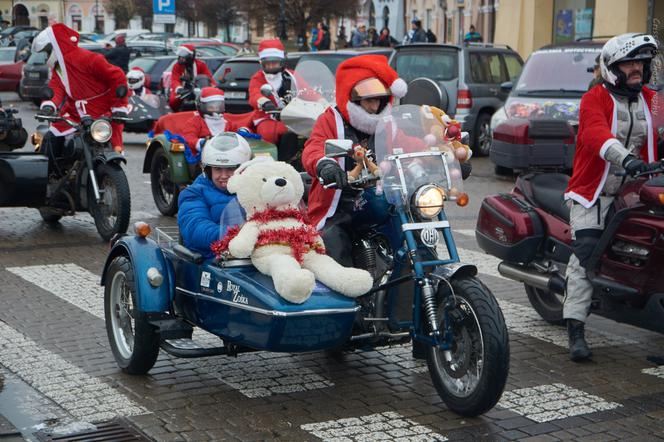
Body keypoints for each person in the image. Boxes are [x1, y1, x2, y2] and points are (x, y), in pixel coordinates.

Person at [563, 33, 659, 362]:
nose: (636, 69)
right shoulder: (595, 98)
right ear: (611, 67)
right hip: (593, 193)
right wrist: (627, 159)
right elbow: (594, 134)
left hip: (638, 194)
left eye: (641, 63)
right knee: (585, 254)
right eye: (629, 63)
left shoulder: (652, 98)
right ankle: (575, 328)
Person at [301, 55, 409, 266]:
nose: (375, 106)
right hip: (341, 203)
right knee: (333, 243)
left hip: (383, 197)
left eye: (379, 100)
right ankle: (347, 295)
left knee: (411, 225)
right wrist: (325, 164)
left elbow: (408, 144)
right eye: (369, 100)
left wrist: (444, 154)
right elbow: (314, 147)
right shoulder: (331, 119)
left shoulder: (388, 122)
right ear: (354, 100)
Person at [31, 23, 128, 160]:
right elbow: (56, 88)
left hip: (103, 112)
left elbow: (117, 76)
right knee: (51, 138)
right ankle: (49, 176)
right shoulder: (59, 68)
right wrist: (49, 105)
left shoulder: (89, 59)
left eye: (46, 52)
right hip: (75, 114)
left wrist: (119, 105)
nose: (46, 56)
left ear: (55, 46)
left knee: (114, 146)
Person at [178, 132, 252, 257]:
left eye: (230, 168)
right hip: (213, 258)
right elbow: (195, 228)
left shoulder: (254, 188)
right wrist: (239, 233)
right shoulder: (193, 194)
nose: (223, 175)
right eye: (217, 169)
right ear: (208, 170)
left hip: (253, 255)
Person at [248, 39, 300, 161]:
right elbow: (254, 94)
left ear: (281, 62)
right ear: (262, 63)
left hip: (292, 117)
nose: (271, 66)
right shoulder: (258, 78)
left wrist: (320, 100)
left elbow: (305, 89)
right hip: (267, 116)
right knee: (268, 133)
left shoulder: (291, 76)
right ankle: (268, 162)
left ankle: (300, 161)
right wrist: (264, 102)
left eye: (274, 62)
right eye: (268, 63)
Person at [180, 87, 242, 164]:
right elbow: (188, 138)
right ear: (202, 106)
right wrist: (201, 142)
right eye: (211, 107)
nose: (215, 109)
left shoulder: (226, 122)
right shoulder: (194, 122)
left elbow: (236, 134)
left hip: (228, 156)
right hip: (202, 158)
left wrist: (242, 132)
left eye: (218, 106)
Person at [169, 44, 215, 112]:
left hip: (198, 89)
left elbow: (209, 77)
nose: (180, 58)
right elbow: (174, 79)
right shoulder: (177, 66)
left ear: (191, 56)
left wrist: (213, 86)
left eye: (183, 56)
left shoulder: (200, 65)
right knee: (173, 102)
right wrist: (179, 89)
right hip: (183, 90)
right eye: (180, 56)